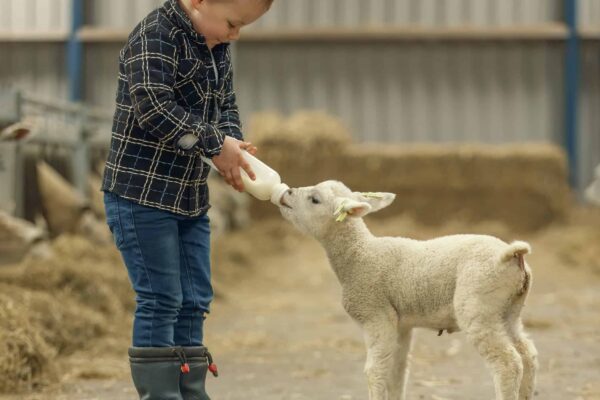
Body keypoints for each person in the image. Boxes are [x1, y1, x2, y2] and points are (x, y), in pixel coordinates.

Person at [101, 0, 273, 398]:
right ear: (197, 1)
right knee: (161, 298)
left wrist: (233, 149)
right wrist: (215, 144)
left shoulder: (215, 45)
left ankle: (189, 391)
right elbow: (154, 109)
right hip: (141, 194)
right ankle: (161, 395)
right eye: (233, 23)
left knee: (194, 299)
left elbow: (224, 105)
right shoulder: (155, 35)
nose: (235, 35)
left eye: (241, 27)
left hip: (189, 196)